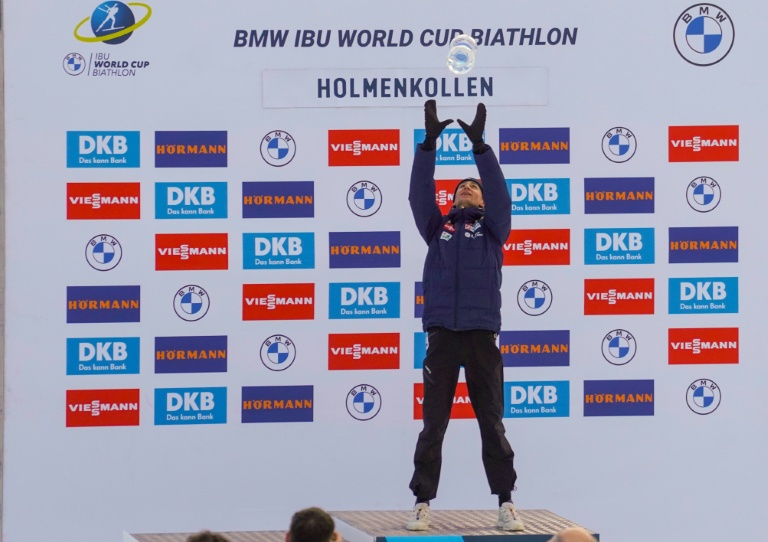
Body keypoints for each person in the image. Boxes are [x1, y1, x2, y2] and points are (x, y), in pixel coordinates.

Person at [407, 100, 522, 532]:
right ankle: (421, 502)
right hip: (442, 335)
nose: (468, 190)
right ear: (451, 199)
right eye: (461, 188)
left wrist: (480, 148)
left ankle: (506, 502)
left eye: (474, 187)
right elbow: (419, 193)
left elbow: (500, 190)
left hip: (481, 335)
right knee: (433, 423)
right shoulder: (438, 229)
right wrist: (428, 146)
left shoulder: (495, 229)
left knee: (491, 421)